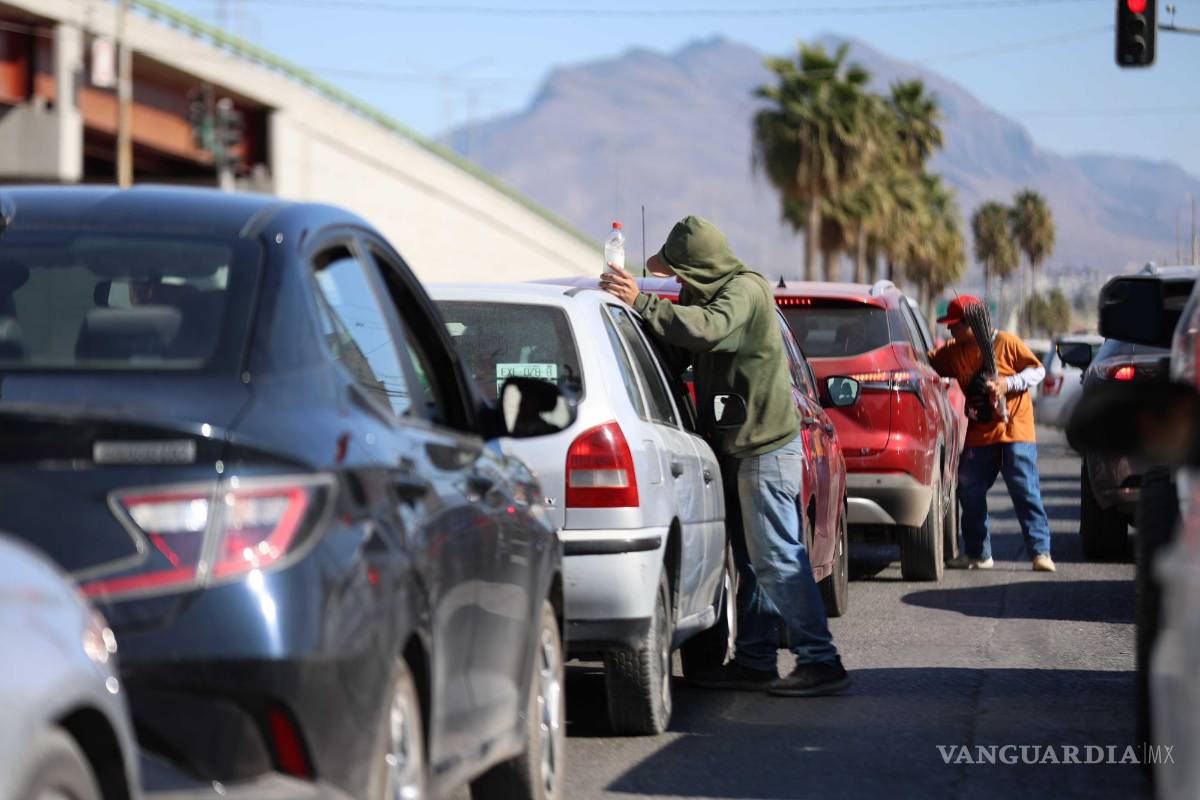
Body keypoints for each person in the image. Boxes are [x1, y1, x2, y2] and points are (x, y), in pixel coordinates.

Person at [600, 215, 848, 697]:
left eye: (679, 271)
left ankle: (821, 659)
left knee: (778, 558)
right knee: (753, 563)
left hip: (764, 449)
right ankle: (755, 662)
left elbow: (707, 331)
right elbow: (681, 349)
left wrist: (644, 301)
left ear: (700, 265)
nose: (676, 281)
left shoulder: (744, 292)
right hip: (733, 449)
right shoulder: (699, 293)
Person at [929, 295, 1056, 572]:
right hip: (980, 431)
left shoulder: (1008, 343)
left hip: (1015, 429)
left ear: (972, 323)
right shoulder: (952, 352)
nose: (950, 330)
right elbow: (927, 363)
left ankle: (1040, 552)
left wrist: (1008, 384)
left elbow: (1038, 370)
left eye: (955, 325)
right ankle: (978, 553)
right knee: (969, 488)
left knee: (1024, 489)